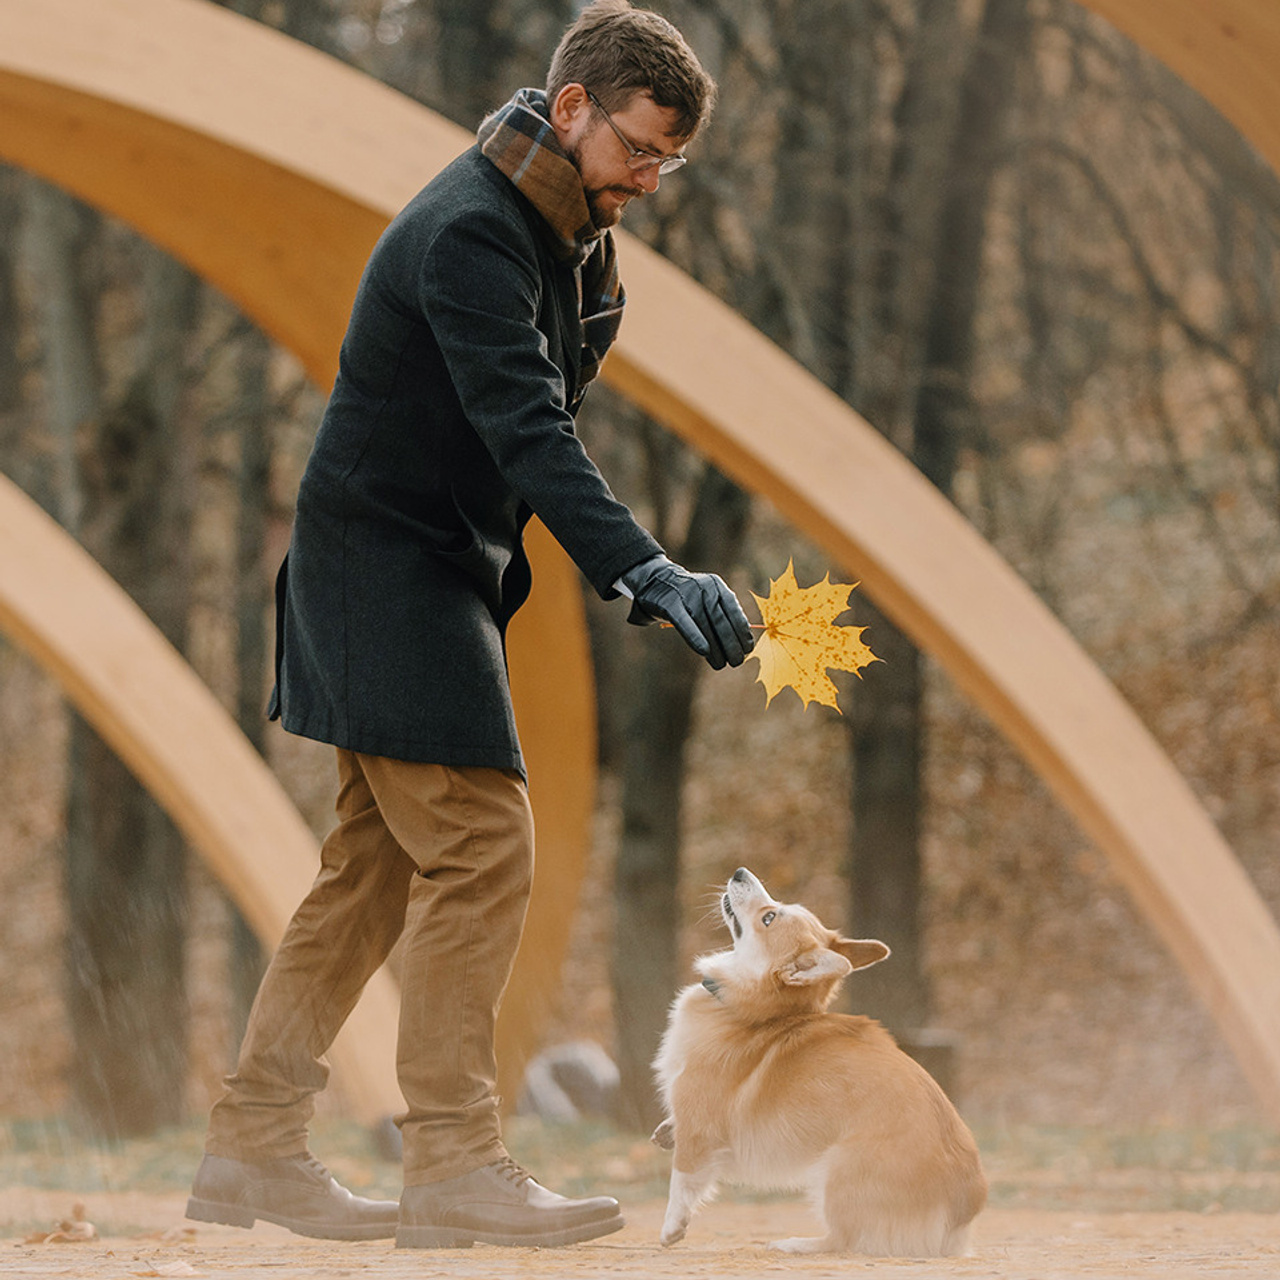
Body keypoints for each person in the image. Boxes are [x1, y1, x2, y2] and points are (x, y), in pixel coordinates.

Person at [186, 0, 753, 1252]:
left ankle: (253, 1144)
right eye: (638, 152)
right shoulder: (469, 234)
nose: (648, 182)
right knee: (484, 844)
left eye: (667, 163)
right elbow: (528, 433)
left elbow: (545, 410)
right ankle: (449, 1160)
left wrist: (651, 566)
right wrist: (645, 567)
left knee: (371, 869)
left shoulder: (568, 237)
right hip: (382, 569)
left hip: (428, 567)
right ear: (571, 109)